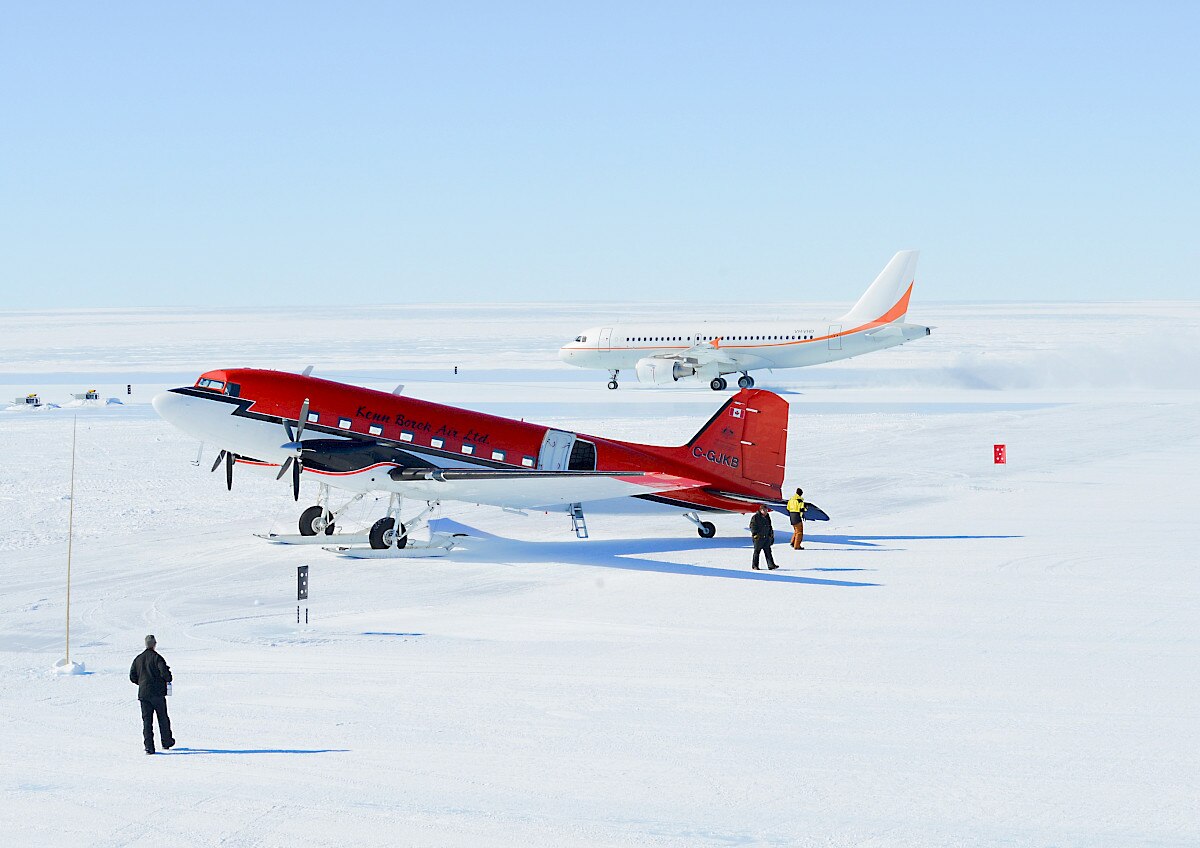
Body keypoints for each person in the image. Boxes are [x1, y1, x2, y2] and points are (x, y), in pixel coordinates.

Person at [130, 634, 174, 754]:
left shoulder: (138, 659)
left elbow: (132, 676)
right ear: (154, 644)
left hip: (144, 694)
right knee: (163, 718)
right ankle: (166, 741)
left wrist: (142, 683)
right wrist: (167, 677)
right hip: (158, 694)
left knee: (147, 721)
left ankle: (149, 746)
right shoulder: (157, 658)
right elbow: (166, 675)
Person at [749, 504, 778, 570]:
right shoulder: (756, 517)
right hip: (758, 538)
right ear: (760, 510)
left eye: (766, 510)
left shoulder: (767, 516)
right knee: (757, 552)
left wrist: (771, 534)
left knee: (768, 552)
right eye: (764, 510)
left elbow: (769, 526)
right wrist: (755, 534)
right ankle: (755, 566)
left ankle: (771, 565)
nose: (765, 512)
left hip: (766, 537)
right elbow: (752, 526)